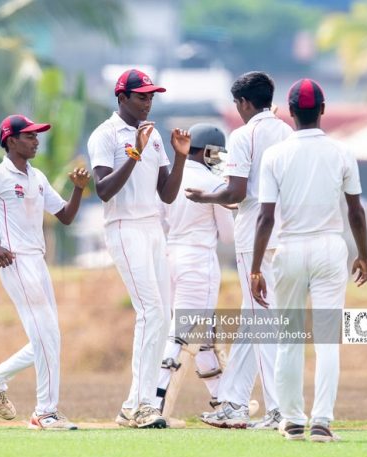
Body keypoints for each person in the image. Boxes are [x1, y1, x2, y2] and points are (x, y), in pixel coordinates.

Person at [0, 114, 89, 431]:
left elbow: (65, 216)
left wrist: (78, 189)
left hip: (38, 262)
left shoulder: (37, 176)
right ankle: (45, 413)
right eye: (30, 136)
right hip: (15, 261)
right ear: (11, 141)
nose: (36, 140)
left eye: (37, 136)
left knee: (48, 337)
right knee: (47, 336)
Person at [250, 78, 367, 442]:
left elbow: (265, 217)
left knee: (289, 338)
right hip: (330, 249)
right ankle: (321, 421)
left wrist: (255, 268)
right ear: (322, 109)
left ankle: (291, 421)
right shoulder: (342, 152)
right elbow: (356, 212)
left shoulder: (276, 155)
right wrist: (364, 254)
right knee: (327, 339)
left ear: (290, 112)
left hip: (289, 249)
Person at [188, 72, 292, 429]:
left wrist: (205, 196)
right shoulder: (287, 132)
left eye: (238, 105)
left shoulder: (244, 134)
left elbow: (234, 193)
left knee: (263, 323)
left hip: (255, 240)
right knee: (254, 321)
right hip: (284, 234)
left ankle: (280, 409)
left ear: (245, 103)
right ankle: (233, 404)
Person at [87, 69, 190, 428]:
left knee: (161, 316)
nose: (147, 102)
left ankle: (134, 404)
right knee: (150, 312)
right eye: (141, 96)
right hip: (124, 228)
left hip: (152, 228)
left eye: (151, 97)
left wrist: (179, 157)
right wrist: (134, 153)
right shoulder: (106, 135)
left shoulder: (155, 134)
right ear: (122, 98)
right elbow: (102, 190)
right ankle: (142, 404)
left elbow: (167, 193)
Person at [156, 123, 234, 418]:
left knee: (202, 336)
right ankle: (153, 402)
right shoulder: (215, 183)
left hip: (170, 256)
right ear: (210, 151)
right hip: (198, 261)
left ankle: (223, 401)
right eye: (218, 153)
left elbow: (162, 219)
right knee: (181, 334)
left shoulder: (172, 178)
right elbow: (228, 236)